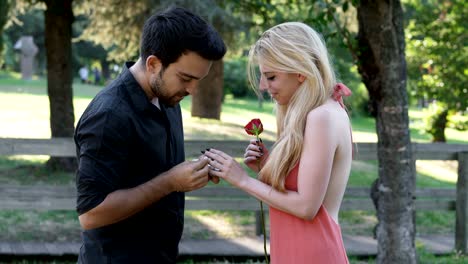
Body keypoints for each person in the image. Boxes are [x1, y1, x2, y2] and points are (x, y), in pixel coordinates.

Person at [74, 7, 226, 263]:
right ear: (154, 64)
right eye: (186, 78)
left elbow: (153, 170)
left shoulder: (168, 99)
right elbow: (90, 214)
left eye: (198, 80)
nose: (193, 91)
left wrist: (195, 172)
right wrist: (170, 182)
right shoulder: (109, 115)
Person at [203, 22, 352, 263]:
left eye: (271, 76)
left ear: (300, 71)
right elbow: (305, 187)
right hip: (296, 251)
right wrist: (268, 166)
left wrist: (241, 179)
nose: (263, 86)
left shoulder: (321, 117)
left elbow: (306, 207)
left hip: (312, 254)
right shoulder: (319, 111)